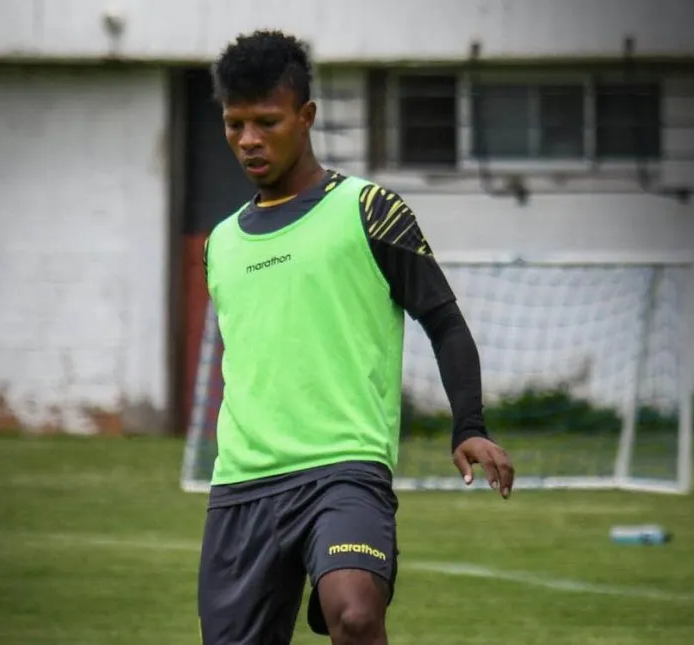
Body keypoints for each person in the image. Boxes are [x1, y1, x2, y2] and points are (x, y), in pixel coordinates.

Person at [197, 29, 515, 645]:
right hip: (241, 485)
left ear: (306, 116)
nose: (249, 141)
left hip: (342, 471)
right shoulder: (220, 245)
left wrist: (469, 425)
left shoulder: (369, 210)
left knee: (356, 613)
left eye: (266, 122)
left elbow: (444, 321)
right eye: (235, 125)